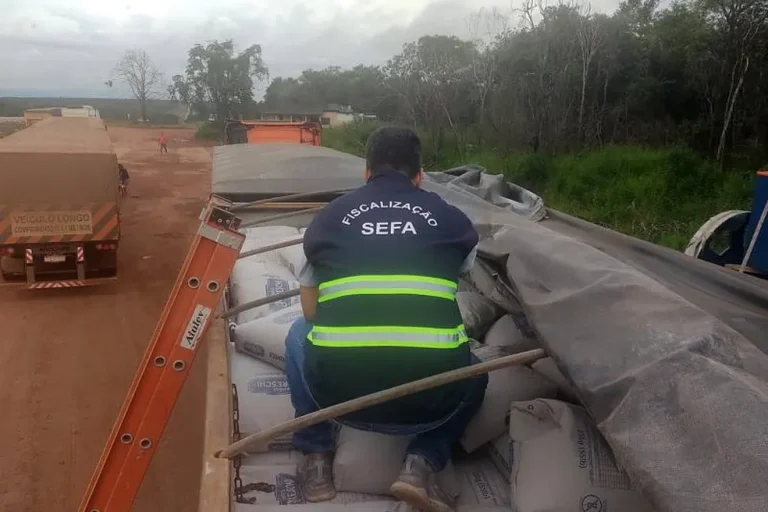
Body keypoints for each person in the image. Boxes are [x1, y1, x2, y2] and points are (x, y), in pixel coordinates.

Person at [284, 126, 488, 512]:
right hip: (431, 402)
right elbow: (455, 275)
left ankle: (315, 457)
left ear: (366, 172)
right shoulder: (453, 221)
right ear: (420, 175)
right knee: (476, 372)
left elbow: (311, 311)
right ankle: (420, 464)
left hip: (337, 394)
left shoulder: (329, 219)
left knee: (299, 333)